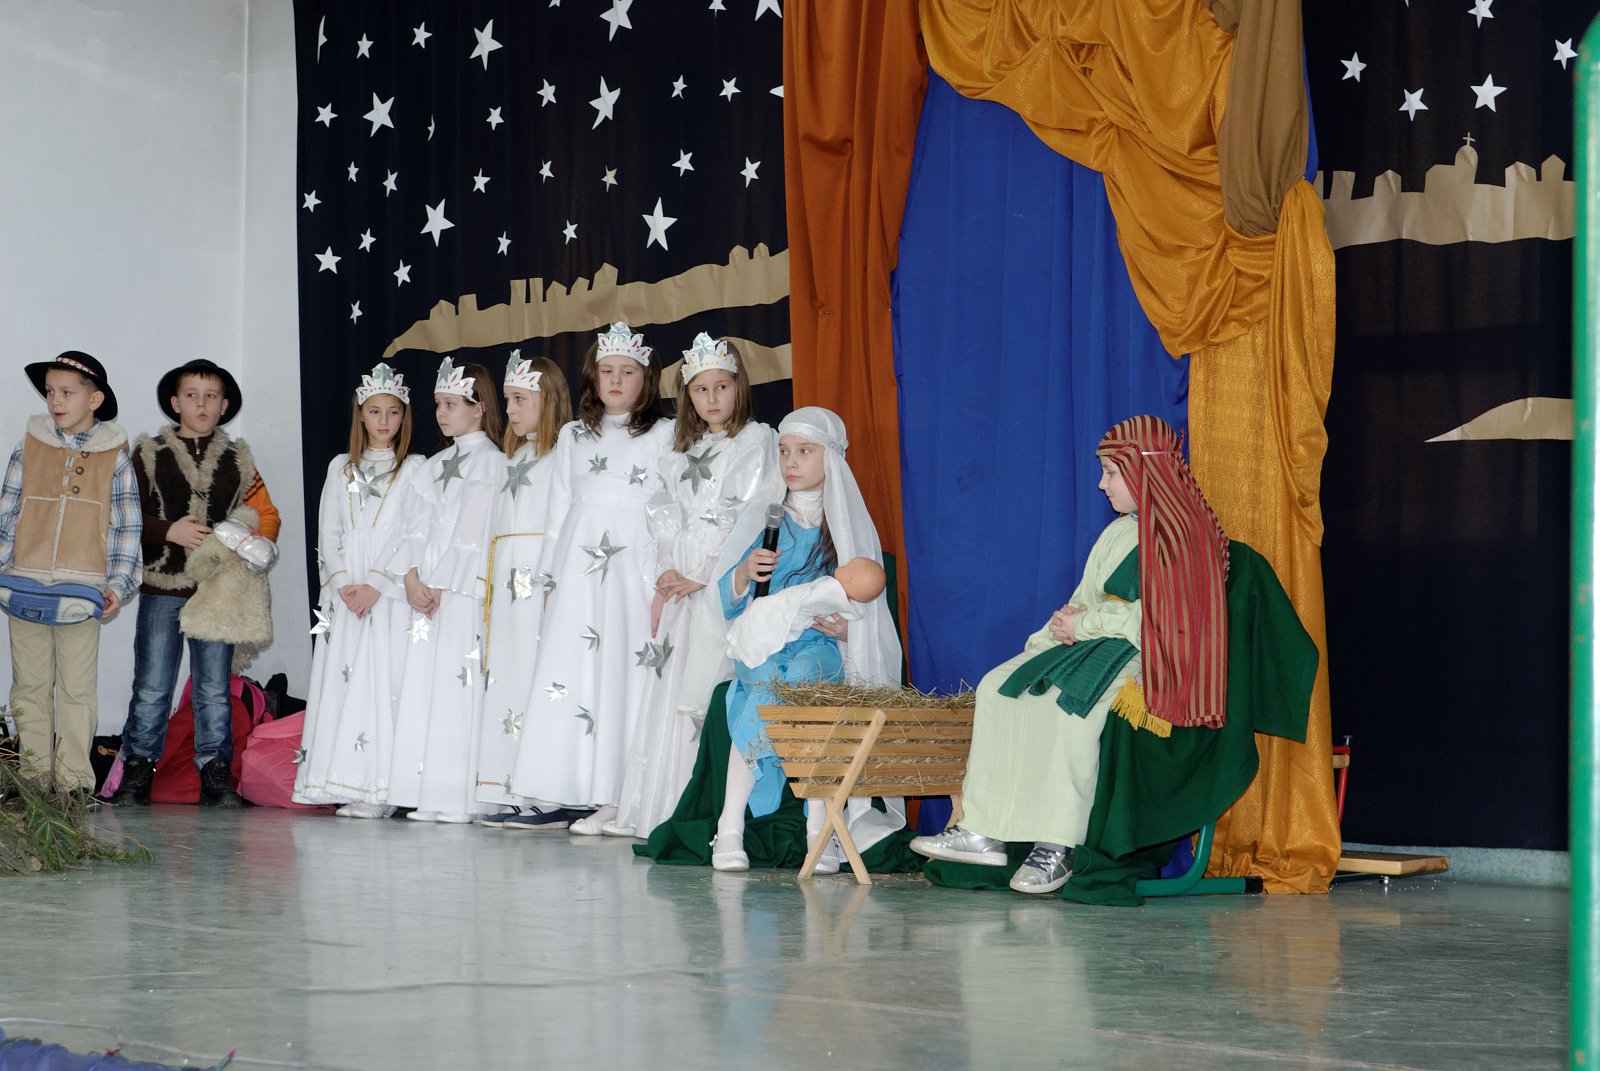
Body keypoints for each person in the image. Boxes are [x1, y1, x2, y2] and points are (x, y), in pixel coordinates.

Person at [909, 414, 1230, 893]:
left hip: (1150, 657)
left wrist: (1088, 623)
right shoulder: (1118, 532)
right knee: (999, 687)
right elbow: (1083, 599)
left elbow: (1171, 621)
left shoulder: (1185, 536)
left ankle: (1058, 845)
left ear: (1144, 471)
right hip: (1091, 642)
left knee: (1070, 707)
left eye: (1111, 472)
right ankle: (983, 831)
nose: (1102, 484)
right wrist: (1049, 639)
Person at [708, 406, 904, 873]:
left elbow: (868, 611)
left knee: (805, 681)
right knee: (763, 686)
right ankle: (730, 823)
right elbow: (731, 604)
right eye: (784, 451)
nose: (791, 462)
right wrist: (743, 574)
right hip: (764, 641)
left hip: (818, 645)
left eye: (805, 451)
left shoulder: (847, 530)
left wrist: (849, 630)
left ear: (830, 458)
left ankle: (821, 828)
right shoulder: (770, 524)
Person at [602, 334, 776, 839]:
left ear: (739, 387)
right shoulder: (680, 453)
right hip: (683, 587)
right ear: (687, 396)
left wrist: (709, 574)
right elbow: (663, 516)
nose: (712, 398)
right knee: (673, 689)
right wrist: (666, 571)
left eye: (722, 386)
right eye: (701, 389)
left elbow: (751, 515)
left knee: (710, 687)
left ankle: (717, 811)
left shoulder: (756, 441)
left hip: (722, 588)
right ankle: (660, 805)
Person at [506, 322, 675, 833]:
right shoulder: (573, 435)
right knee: (573, 675)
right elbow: (558, 511)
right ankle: (563, 787)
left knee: (626, 672)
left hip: (633, 571)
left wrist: (663, 577)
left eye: (628, 372)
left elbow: (670, 511)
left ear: (647, 379)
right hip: (579, 575)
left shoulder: (664, 435)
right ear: (593, 377)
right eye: (607, 371)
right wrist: (548, 579)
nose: (616, 381)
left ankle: (620, 794)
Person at [108, 358, 280, 808]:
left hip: (217, 592)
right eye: (191, 395)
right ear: (174, 402)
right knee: (152, 684)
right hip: (162, 585)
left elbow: (264, 516)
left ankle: (215, 773)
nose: (201, 404)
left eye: (210, 396)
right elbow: (124, 515)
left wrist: (252, 543)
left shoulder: (240, 460)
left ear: (224, 405)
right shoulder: (148, 454)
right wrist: (169, 531)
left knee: (213, 688)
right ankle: (138, 769)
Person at [0, 351, 140, 804]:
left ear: (94, 399)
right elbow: (7, 512)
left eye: (67, 392)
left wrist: (117, 584)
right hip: (25, 583)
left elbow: (126, 526)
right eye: (49, 392)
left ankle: (74, 783)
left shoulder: (115, 456)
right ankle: (33, 778)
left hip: (82, 589)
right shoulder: (28, 446)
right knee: (29, 686)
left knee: (77, 689)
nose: (55, 401)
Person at [292, 364, 421, 816]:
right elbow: (328, 531)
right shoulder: (340, 468)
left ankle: (382, 790)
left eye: (393, 412)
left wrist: (377, 585)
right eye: (374, 411)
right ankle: (346, 781)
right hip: (348, 597)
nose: (384, 421)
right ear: (360, 415)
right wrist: (345, 584)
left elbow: (413, 533)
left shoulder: (415, 469)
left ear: (404, 417)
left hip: (386, 595)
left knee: (383, 683)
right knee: (346, 683)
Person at [381, 358, 504, 824]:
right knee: (426, 687)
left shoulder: (492, 463)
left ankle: (461, 796)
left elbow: (474, 533)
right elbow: (412, 528)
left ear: (479, 407)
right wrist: (411, 578)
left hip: (461, 593)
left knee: (459, 686)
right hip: (427, 593)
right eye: (438, 404)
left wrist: (439, 583)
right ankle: (426, 791)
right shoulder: (431, 467)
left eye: (452, 404)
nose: (442, 413)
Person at [473, 353, 571, 823]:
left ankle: (546, 789)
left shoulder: (562, 456)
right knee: (508, 679)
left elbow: (562, 522)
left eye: (520, 399)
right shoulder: (513, 457)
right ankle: (508, 782)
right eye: (508, 399)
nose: (509, 410)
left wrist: (552, 580)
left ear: (547, 400)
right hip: (507, 579)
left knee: (539, 679)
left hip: (538, 577)